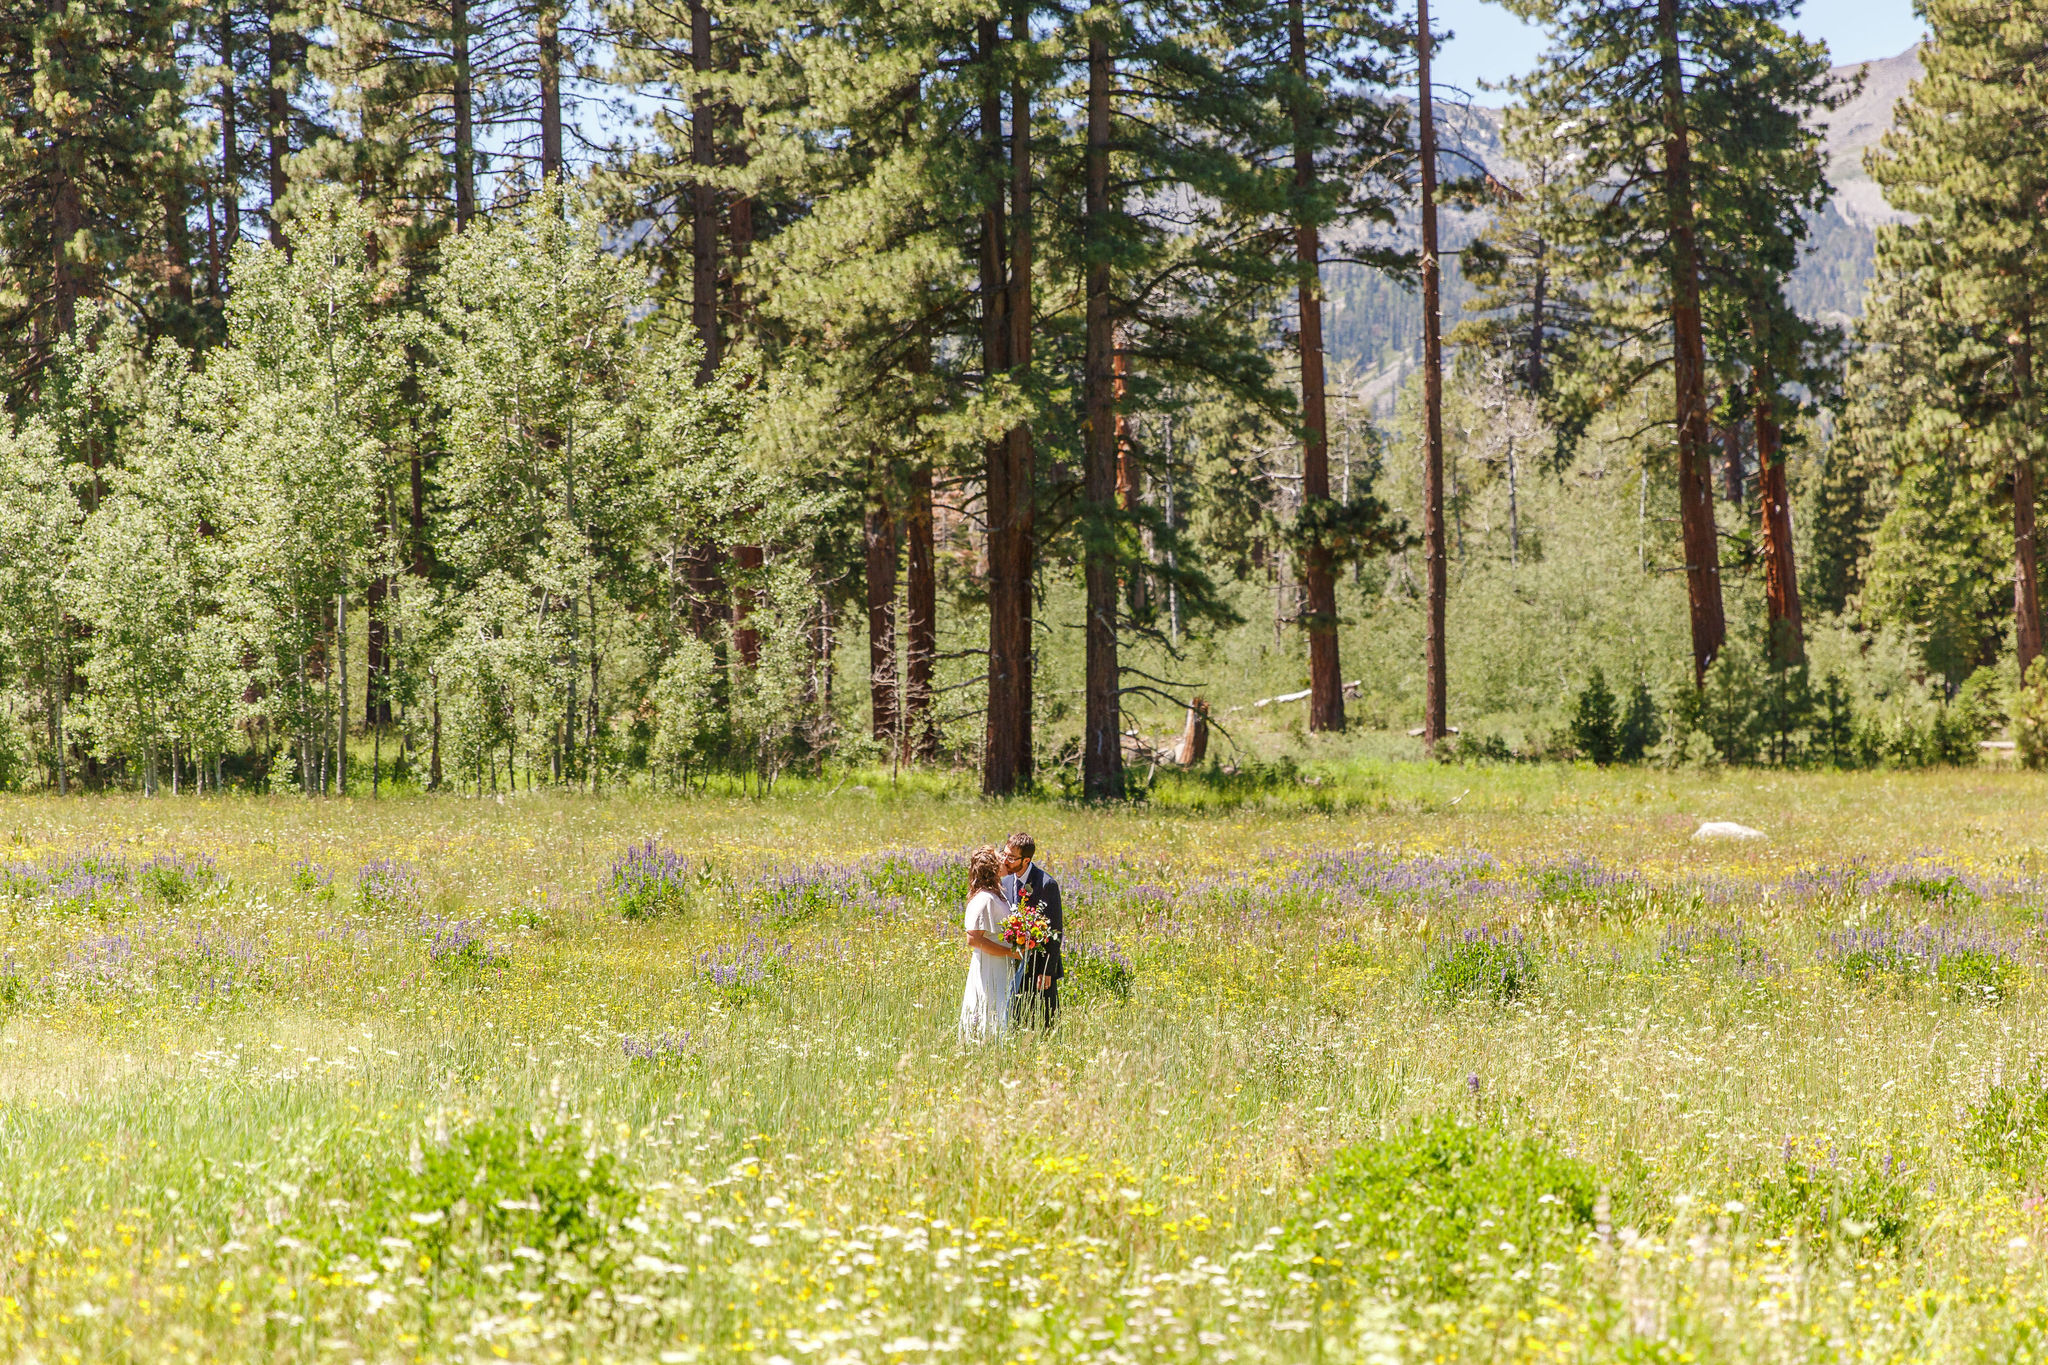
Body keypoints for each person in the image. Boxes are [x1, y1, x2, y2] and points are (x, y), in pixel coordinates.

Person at [1001, 832, 1063, 1029]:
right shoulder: (1006, 881)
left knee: (1045, 1021)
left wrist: (1047, 971)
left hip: (1039, 966)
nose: (1005, 860)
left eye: (1011, 857)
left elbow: (1055, 931)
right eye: (1005, 854)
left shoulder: (1046, 884)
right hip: (1011, 962)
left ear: (1026, 860)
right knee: (1014, 1019)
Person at [958, 845, 1019, 1042]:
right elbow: (973, 938)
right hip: (989, 964)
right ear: (992, 866)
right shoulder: (984, 898)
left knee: (998, 1006)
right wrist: (1010, 953)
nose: (1004, 859)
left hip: (999, 963)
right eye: (1000, 856)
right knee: (989, 1004)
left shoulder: (996, 894)